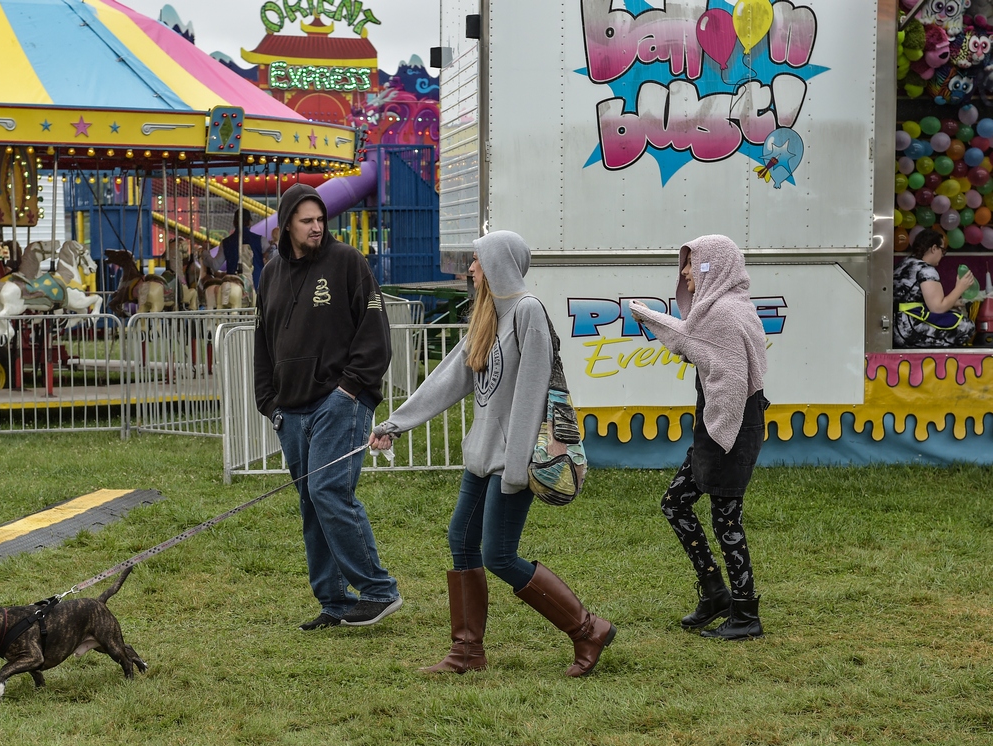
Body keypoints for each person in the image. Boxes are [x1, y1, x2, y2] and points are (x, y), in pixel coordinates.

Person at [369, 230, 616, 677]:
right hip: (481, 459)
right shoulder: (488, 317)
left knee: (499, 555)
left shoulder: (527, 312)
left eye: (477, 260)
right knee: (461, 542)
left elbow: (532, 391)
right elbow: (448, 379)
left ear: (498, 263)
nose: (470, 268)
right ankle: (467, 652)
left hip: (512, 462)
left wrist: (517, 466)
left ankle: (587, 629)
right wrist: (395, 424)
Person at [254, 184, 403, 630]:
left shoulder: (347, 263)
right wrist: (269, 404)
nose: (317, 226)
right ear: (286, 227)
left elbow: (375, 332)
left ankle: (378, 590)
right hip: (290, 409)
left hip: (341, 401)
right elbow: (262, 342)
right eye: (307, 220)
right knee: (311, 502)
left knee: (328, 492)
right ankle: (335, 602)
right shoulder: (271, 273)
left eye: (321, 219)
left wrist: (351, 389)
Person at [629, 235, 768, 641]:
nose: (685, 271)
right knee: (676, 504)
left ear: (713, 266)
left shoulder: (722, 313)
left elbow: (705, 355)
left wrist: (719, 434)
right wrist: (653, 318)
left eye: (692, 263)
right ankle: (714, 592)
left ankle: (745, 614)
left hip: (729, 425)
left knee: (726, 519)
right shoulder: (733, 307)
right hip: (731, 423)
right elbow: (695, 343)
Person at [893, 229, 976, 348]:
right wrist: (960, 287)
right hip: (911, 330)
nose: (942, 255)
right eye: (942, 250)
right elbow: (938, 308)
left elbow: (915, 301)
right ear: (933, 248)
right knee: (967, 326)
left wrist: (952, 303)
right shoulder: (926, 270)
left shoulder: (903, 264)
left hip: (896, 329)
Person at [222, 208, 266, 294]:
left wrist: (205, 254)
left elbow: (215, 265)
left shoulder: (225, 243)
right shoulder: (261, 240)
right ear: (249, 222)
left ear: (234, 222)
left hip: (232, 283)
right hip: (257, 283)